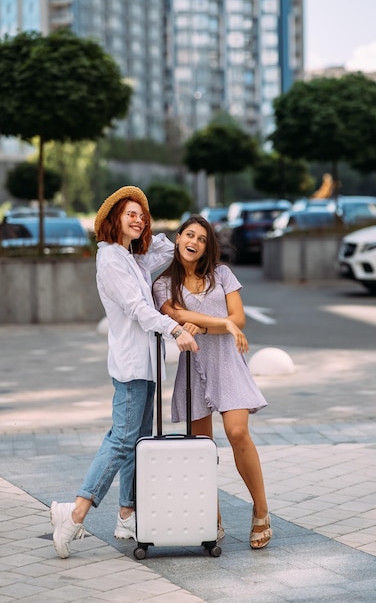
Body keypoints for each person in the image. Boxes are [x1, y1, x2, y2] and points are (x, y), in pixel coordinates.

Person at [50, 186, 198, 559]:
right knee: (122, 440)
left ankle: (126, 515)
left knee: (135, 441)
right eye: (130, 214)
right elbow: (137, 308)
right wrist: (175, 328)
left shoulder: (133, 258)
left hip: (146, 364)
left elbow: (167, 250)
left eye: (142, 215)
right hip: (132, 365)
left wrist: (176, 236)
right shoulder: (112, 260)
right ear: (113, 219)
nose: (138, 219)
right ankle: (75, 512)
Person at [153, 215, 272, 549]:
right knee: (202, 448)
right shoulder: (162, 283)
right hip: (193, 367)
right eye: (189, 235)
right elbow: (174, 314)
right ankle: (211, 515)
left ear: (208, 246)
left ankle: (261, 510)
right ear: (177, 239)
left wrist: (209, 327)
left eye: (202, 238)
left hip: (227, 363)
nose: (195, 242)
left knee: (237, 432)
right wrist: (224, 324)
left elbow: (239, 318)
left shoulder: (222, 274)